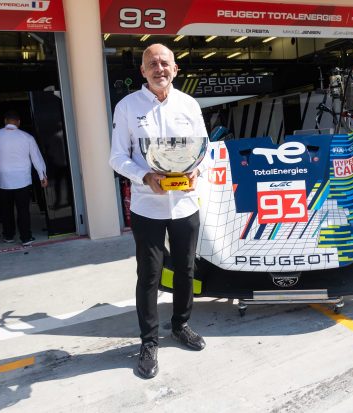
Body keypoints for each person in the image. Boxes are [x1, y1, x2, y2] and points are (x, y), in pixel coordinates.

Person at [109, 43, 209, 379]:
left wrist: (197, 169)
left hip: (184, 204)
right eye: (152, 63)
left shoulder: (189, 105)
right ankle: (149, 341)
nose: (159, 68)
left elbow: (204, 148)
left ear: (176, 69)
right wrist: (144, 175)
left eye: (165, 63)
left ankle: (181, 326)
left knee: (186, 270)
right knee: (149, 275)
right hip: (147, 205)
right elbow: (116, 157)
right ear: (142, 71)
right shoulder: (127, 107)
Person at [0, 110, 48, 245]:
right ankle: (26, 237)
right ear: (19, 123)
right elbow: (36, 158)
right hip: (22, 179)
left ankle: (8, 235)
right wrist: (41, 175)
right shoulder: (27, 137)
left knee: (5, 210)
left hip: (2, 180)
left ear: (5, 121)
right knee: (23, 210)